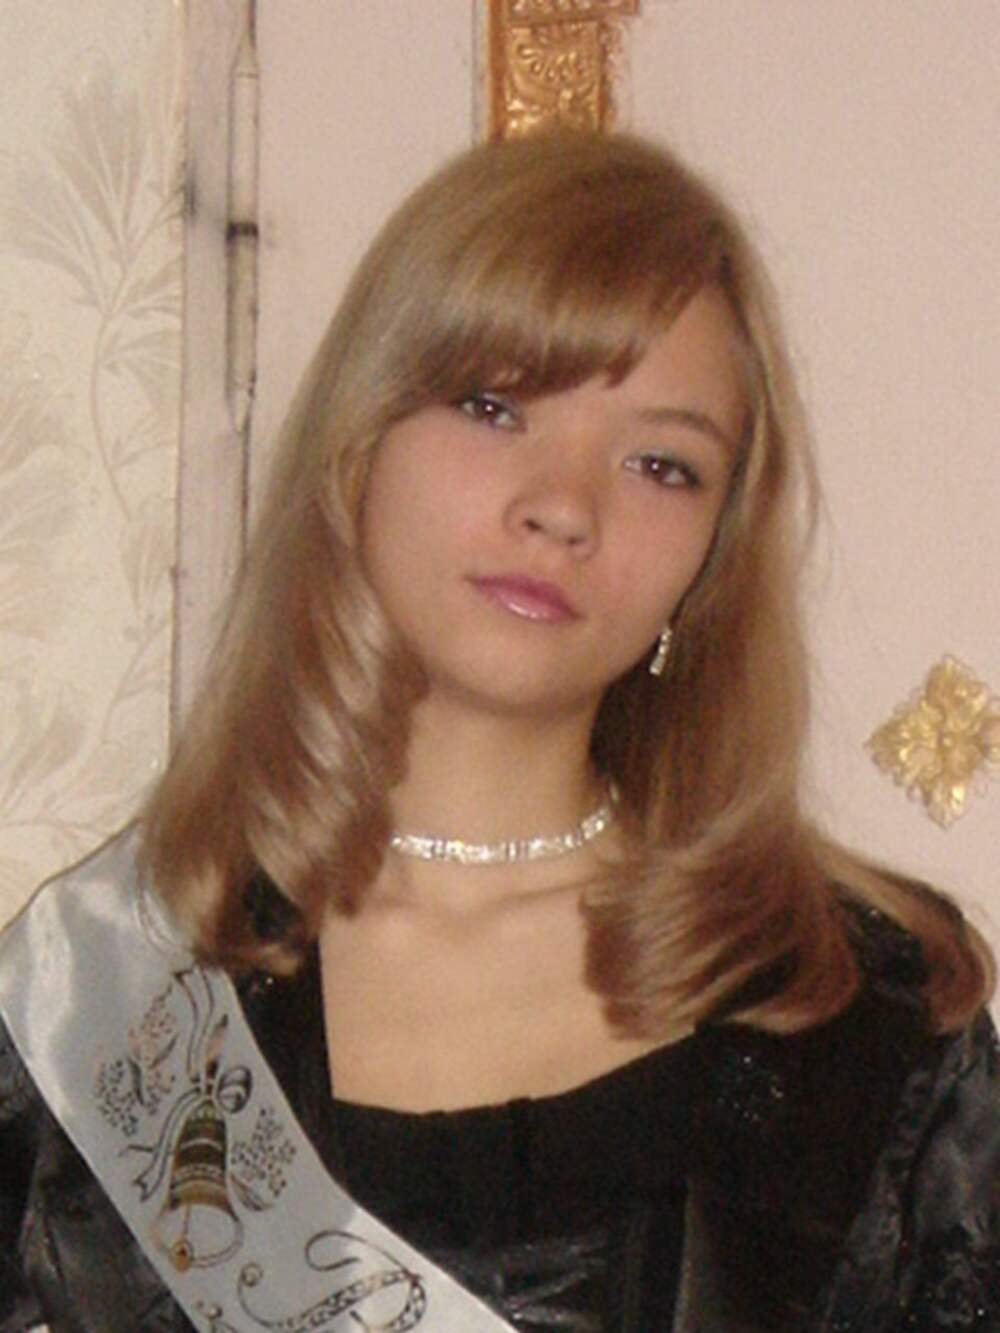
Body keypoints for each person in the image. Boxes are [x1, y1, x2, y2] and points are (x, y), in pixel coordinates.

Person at [0, 131, 997, 1333]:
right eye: (493, 405)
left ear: (713, 556)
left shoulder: (865, 1022)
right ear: (360, 441)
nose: (564, 506)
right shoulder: (109, 1009)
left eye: (661, 464)